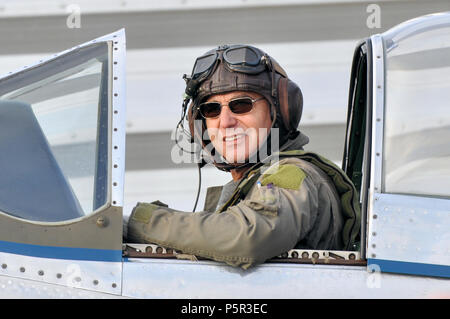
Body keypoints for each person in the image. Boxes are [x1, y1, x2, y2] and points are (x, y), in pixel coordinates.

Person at [126, 45, 360, 269]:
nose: (226, 122)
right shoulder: (249, 186)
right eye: (212, 110)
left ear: (278, 112)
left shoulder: (290, 173)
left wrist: (143, 221)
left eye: (241, 105)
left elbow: (249, 236)